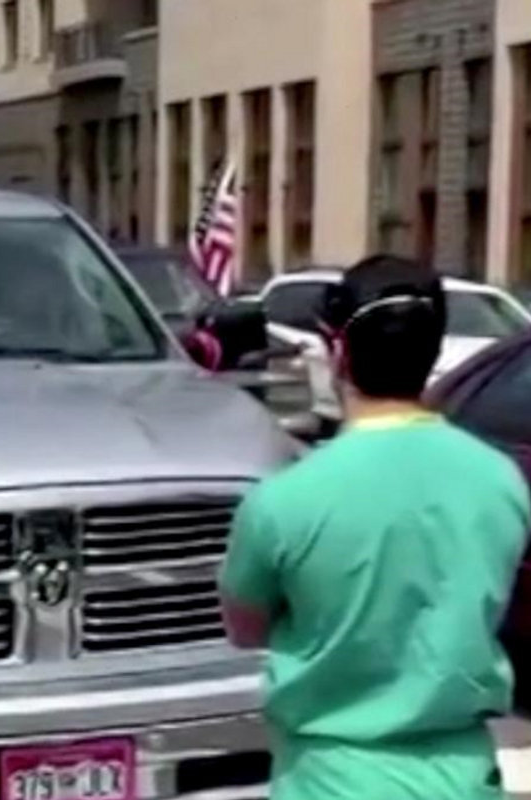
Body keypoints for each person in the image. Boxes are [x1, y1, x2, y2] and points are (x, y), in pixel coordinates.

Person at [219, 254, 531, 800]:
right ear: (433, 347)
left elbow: (247, 626)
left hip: (329, 778)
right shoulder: (501, 482)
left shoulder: (283, 500)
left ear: (338, 350)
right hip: (461, 775)